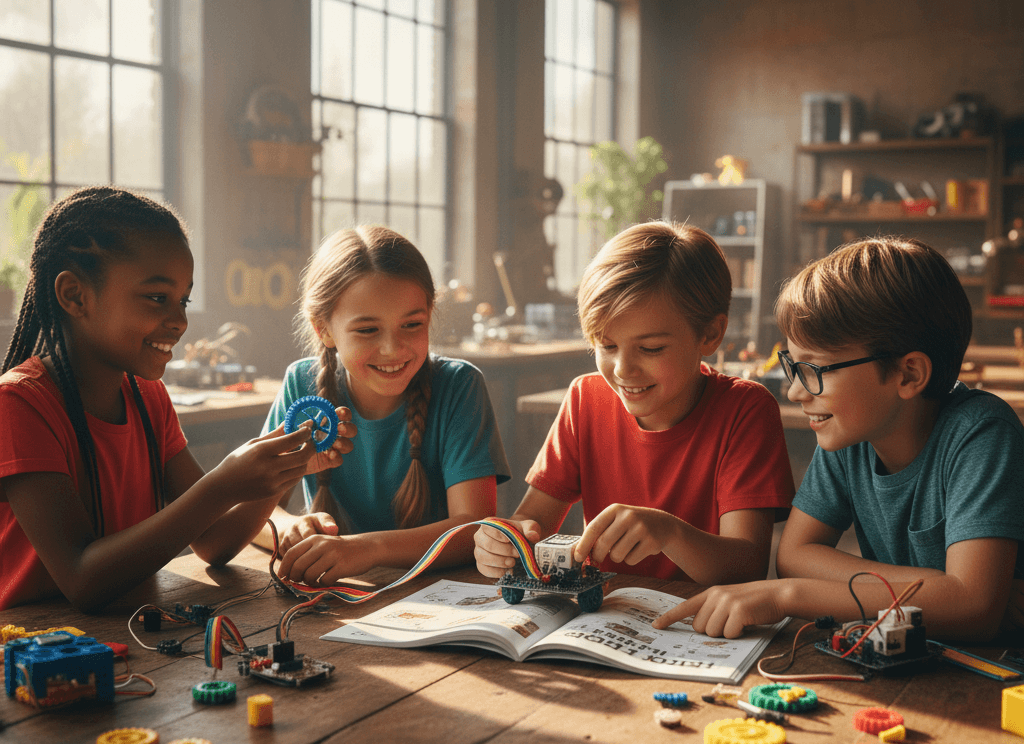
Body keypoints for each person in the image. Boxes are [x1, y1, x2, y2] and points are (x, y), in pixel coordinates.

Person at [655, 236, 1024, 640]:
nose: (795, 392)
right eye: (794, 367)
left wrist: (788, 597)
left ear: (908, 374)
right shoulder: (852, 435)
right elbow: (794, 556)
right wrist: (939, 587)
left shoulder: (981, 433)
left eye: (817, 369)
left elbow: (973, 608)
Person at [0, 186, 327, 611]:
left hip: (131, 638)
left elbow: (214, 542)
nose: (180, 321)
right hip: (38, 652)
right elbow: (83, 579)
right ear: (75, 296)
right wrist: (222, 483)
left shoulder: (146, 396)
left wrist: (281, 469)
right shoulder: (20, 404)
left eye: (183, 300)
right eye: (157, 298)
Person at [474, 221, 795, 584]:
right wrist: (503, 542)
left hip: (701, 624)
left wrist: (669, 533)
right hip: (600, 618)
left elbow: (747, 566)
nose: (623, 369)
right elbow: (530, 523)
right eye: (606, 346)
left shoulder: (745, 410)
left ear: (710, 333)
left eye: (651, 348)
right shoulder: (585, 399)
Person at [259, 225, 510, 586]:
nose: (393, 349)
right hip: (340, 596)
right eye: (367, 330)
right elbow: (250, 510)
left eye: (412, 324)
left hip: (439, 595)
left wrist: (367, 549)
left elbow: (475, 529)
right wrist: (288, 528)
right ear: (323, 330)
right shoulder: (302, 385)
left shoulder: (459, 385)